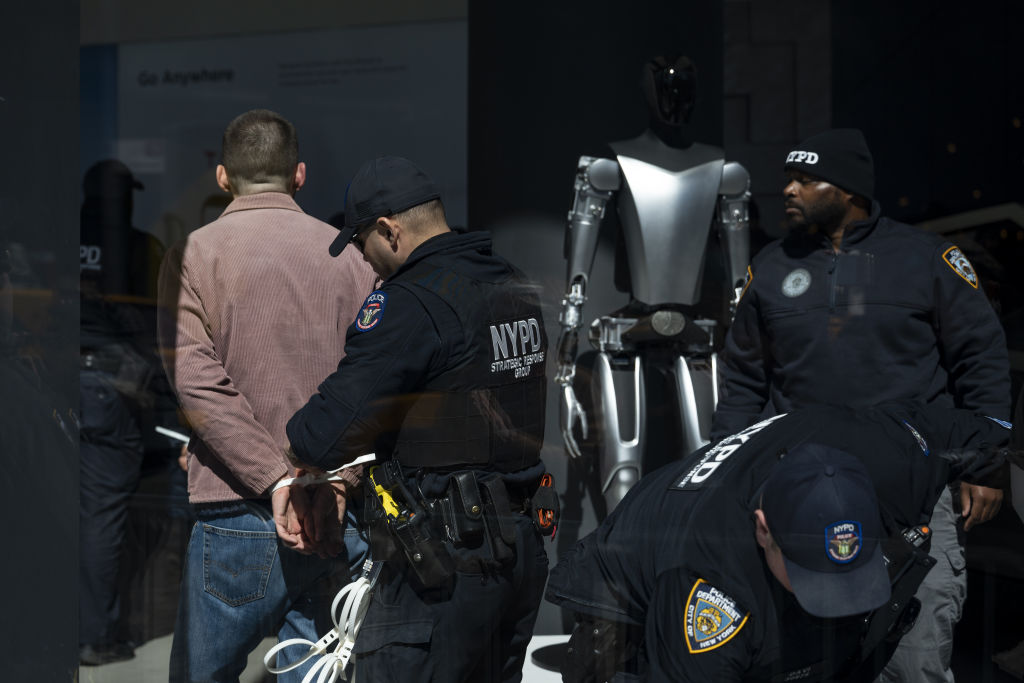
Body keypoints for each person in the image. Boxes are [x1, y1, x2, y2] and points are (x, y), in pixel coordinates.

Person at [710, 129, 1011, 682]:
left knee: (914, 660)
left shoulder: (928, 259)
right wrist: (729, 472)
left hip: (914, 490)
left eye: (805, 179)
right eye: (787, 179)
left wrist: (986, 465)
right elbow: (744, 383)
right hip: (802, 489)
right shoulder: (770, 268)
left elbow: (982, 363)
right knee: (804, 656)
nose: (790, 190)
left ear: (850, 190)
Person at [286, 155, 552, 683]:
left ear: (389, 230)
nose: (365, 260)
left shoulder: (411, 301)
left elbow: (321, 435)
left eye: (362, 244)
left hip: (446, 563)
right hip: (518, 548)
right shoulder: (511, 283)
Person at [546, 402, 1012, 682]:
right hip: (632, 569)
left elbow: (987, 433)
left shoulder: (900, 458)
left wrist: (989, 473)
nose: (836, 594)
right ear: (764, 528)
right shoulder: (707, 584)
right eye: (814, 572)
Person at [157, 109, 377, 683]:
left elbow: (196, 382)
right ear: (298, 175)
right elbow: (372, 379)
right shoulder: (351, 256)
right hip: (334, 507)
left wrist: (275, 478)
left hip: (235, 510)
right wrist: (329, 481)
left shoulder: (193, 254)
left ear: (223, 177)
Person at [556, 55, 751, 511]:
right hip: (639, 333)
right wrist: (565, 363)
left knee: (708, 459)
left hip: (694, 335)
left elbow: (742, 284)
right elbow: (576, 282)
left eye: (683, 90)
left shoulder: (725, 173)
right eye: (667, 89)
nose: (675, 100)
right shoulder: (608, 167)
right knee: (625, 472)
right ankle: (624, 561)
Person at [79, 159, 166, 665]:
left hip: (49, 384)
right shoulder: (135, 246)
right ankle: (96, 635)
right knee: (102, 516)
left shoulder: (56, 236)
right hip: (112, 388)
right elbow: (148, 323)